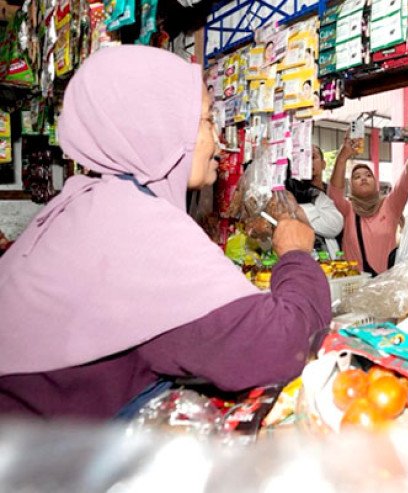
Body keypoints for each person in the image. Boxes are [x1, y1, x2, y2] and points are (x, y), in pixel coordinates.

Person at [0, 46, 331, 419]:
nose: (219, 142)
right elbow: (281, 347)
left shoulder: (85, 207)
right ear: (158, 126)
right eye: (206, 121)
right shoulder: (133, 225)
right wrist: (296, 256)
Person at [328, 125, 408, 275]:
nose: (363, 178)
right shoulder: (348, 210)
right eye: (356, 177)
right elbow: (334, 192)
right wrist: (343, 156)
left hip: (386, 286)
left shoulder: (390, 205)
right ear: (350, 186)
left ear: (376, 182)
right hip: (355, 286)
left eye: (368, 175)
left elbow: (405, 182)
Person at [285, 145, 343, 257]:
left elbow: (335, 225)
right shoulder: (292, 192)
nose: (308, 162)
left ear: (323, 164)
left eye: (312, 157)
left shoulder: (333, 194)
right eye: (303, 159)